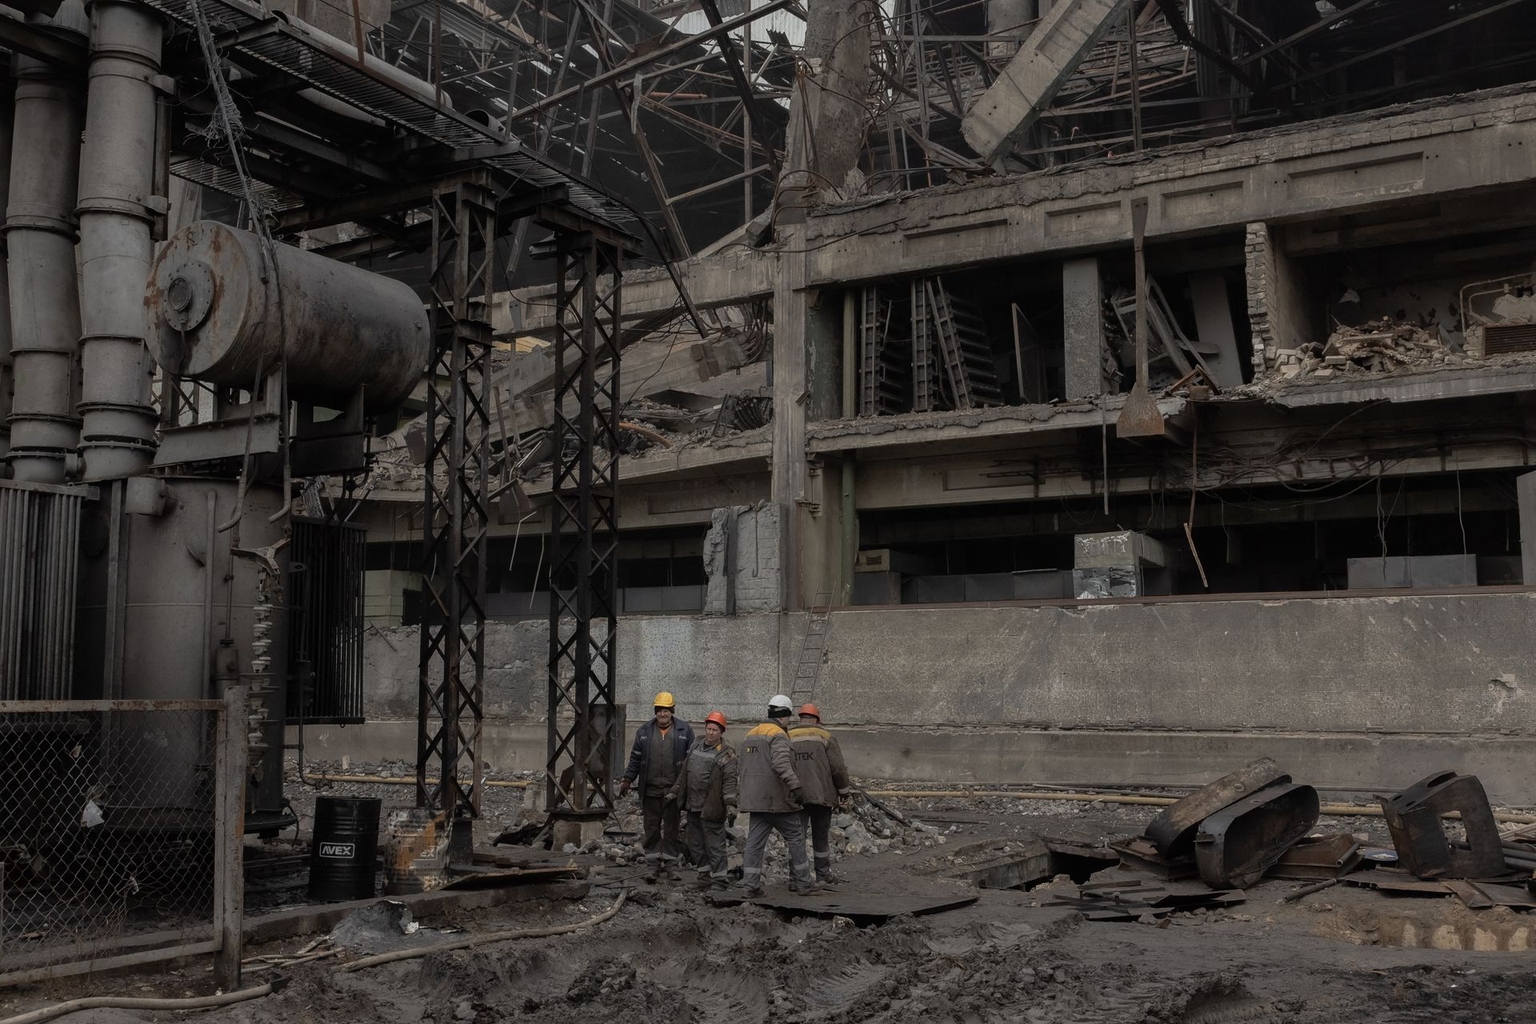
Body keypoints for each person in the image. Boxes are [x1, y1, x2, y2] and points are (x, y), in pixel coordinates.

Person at [737, 694, 818, 896]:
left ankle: (750, 886)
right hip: (777, 801)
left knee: (754, 843)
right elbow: (781, 764)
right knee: (796, 838)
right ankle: (803, 882)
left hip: (755, 801)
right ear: (785, 715)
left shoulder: (751, 734)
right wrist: (796, 787)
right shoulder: (778, 734)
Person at [620, 691, 694, 883]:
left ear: (672, 711)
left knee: (672, 829)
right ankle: (652, 865)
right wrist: (627, 779)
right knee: (651, 829)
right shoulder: (644, 732)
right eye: (660, 710)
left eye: (666, 710)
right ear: (655, 711)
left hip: (673, 791)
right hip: (650, 789)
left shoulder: (685, 732)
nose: (663, 714)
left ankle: (671, 866)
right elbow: (635, 758)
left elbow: (691, 762)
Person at [666, 710, 738, 890]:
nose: (711, 733)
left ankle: (720, 880)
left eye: (715, 730)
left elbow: (729, 782)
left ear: (721, 732)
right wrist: (674, 792)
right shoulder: (696, 745)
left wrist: (730, 806)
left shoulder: (727, 754)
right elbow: (684, 773)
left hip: (712, 807)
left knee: (715, 845)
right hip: (693, 805)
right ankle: (704, 878)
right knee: (696, 844)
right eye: (709, 729)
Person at [789, 703, 853, 886]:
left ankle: (795, 878)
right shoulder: (826, 736)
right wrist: (844, 792)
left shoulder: (788, 736)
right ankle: (823, 874)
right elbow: (838, 769)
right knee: (820, 836)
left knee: (796, 837)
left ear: (800, 718)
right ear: (817, 720)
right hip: (821, 795)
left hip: (795, 796)